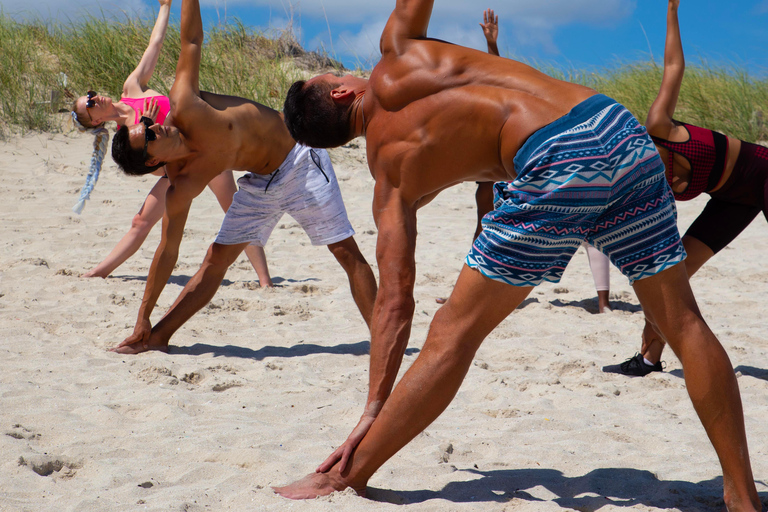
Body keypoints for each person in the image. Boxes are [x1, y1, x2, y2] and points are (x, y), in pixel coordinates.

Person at [273, 1, 761, 509]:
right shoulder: (397, 50)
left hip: (555, 159)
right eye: (336, 73)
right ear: (342, 91)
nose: (346, 71)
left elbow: (394, 303)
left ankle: (347, 475)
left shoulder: (391, 182)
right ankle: (743, 496)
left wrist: (372, 408)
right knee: (683, 322)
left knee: (453, 333)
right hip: (617, 128)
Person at [109, 0, 377, 355]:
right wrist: (143, 316)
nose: (154, 125)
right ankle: (155, 337)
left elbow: (191, 40)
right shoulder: (183, 184)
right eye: (148, 135)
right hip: (260, 185)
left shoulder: (186, 104)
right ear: (152, 161)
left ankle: (383, 337)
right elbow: (168, 250)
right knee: (215, 261)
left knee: (345, 251)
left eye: (146, 123)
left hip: (300, 159)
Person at [604, 0, 768, 376]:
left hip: (763, 172)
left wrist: (672, 11)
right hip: (730, 201)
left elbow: (674, 66)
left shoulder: (659, 127)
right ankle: (648, 359)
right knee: (673, 275)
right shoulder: (641, 182)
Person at [71, 0, 272, 285]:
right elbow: (154, 167)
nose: (95, 98)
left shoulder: (131, 88)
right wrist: (153, 128)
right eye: (90, 104)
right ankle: (99, 271)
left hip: (203, 149)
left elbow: (155, 45)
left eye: (90, 94)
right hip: (176, 170)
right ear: (95, 121)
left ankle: (265, 280)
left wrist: (165, 7)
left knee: (233, 210)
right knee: (140, 221)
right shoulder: (126, 137)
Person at [435, 9, 613, 312]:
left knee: (584, 229)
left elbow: (501, 82)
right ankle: (464, 296)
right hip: (493, 161)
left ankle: (603, 302)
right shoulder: (467, 94)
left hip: (525, 158)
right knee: (484, 225)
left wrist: (492, 45)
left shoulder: (527, 98)